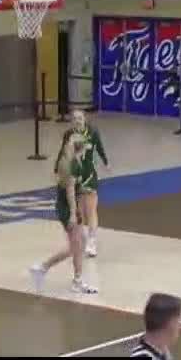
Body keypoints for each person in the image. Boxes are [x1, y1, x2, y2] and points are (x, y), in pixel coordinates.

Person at [30, 133, 98, 295]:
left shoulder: (67, 161)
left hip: (68, 206)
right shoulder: (72, 165)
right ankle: (42, 267)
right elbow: (70, 192)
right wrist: (74, 214)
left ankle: (77, 279)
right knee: (75, 247)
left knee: (80, 243)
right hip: (68, 208)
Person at [63, 110, 108, 258]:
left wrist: (106, 162)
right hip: (76, 173)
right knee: (79, 211)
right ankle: (81, 239)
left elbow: (100, 147)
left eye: (80, 118)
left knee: (91, 209)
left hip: (89, 173)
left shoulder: (93, 132)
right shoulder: (69, 134)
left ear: (84, 119)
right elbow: (63, 153)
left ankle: (92, 241)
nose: (77, 120)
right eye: (74, 118)